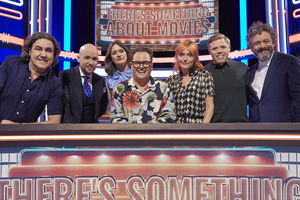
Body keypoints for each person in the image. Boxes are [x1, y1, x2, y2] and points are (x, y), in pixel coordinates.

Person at [0, 32, 63, 124]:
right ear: (29, 51)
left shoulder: (55, 83)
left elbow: (54, 121)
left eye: (48, 50)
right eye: (38, 49)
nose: (43, 54)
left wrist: (19, 127)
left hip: (24, 136)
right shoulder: (11, 63)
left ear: (54, 55)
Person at [246, 21, 300, 122]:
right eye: (257, 43)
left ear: (274, 43)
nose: (262, 46)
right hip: (258, 131)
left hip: (284, 130)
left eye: (266, 41)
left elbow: (298, 98)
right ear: (252, 48)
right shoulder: (250, 72)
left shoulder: (289, 62)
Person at [110, 46, 176, 123]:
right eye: (137, 63)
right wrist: (134, 133)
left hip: (156, 134)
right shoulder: (119, 89)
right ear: (131, 66)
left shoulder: (164, 88)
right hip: (128, 135)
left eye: (145, 63)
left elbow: (169, 116)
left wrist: (148, 132)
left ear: (151, 66)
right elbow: (115, 119)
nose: (141, 67)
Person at [166, 40, 214, 123]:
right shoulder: (171, 80)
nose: (185, 59)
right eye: (181, 55)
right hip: (176, 127)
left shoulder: (205, 76)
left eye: (189, 55)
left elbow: (210, 106)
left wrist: (204, 129)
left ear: (195, 58)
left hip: (198, 126)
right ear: (176, 57)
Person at [59, 43, 109, 123]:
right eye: (87, 58)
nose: (91, 62)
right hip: (70, 130)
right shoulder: (65, 76)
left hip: (92, 130)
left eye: (94, 59)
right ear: (78, 58)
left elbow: (102, 108)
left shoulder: (100, 80)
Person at [204, 33, 249, 122]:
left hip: (241, 127)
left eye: (223, 47)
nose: (219, 51)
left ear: (229, 48)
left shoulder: (242, 68)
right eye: (214, 48)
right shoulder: (203, 72)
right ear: (209, 51)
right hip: (214, 128)